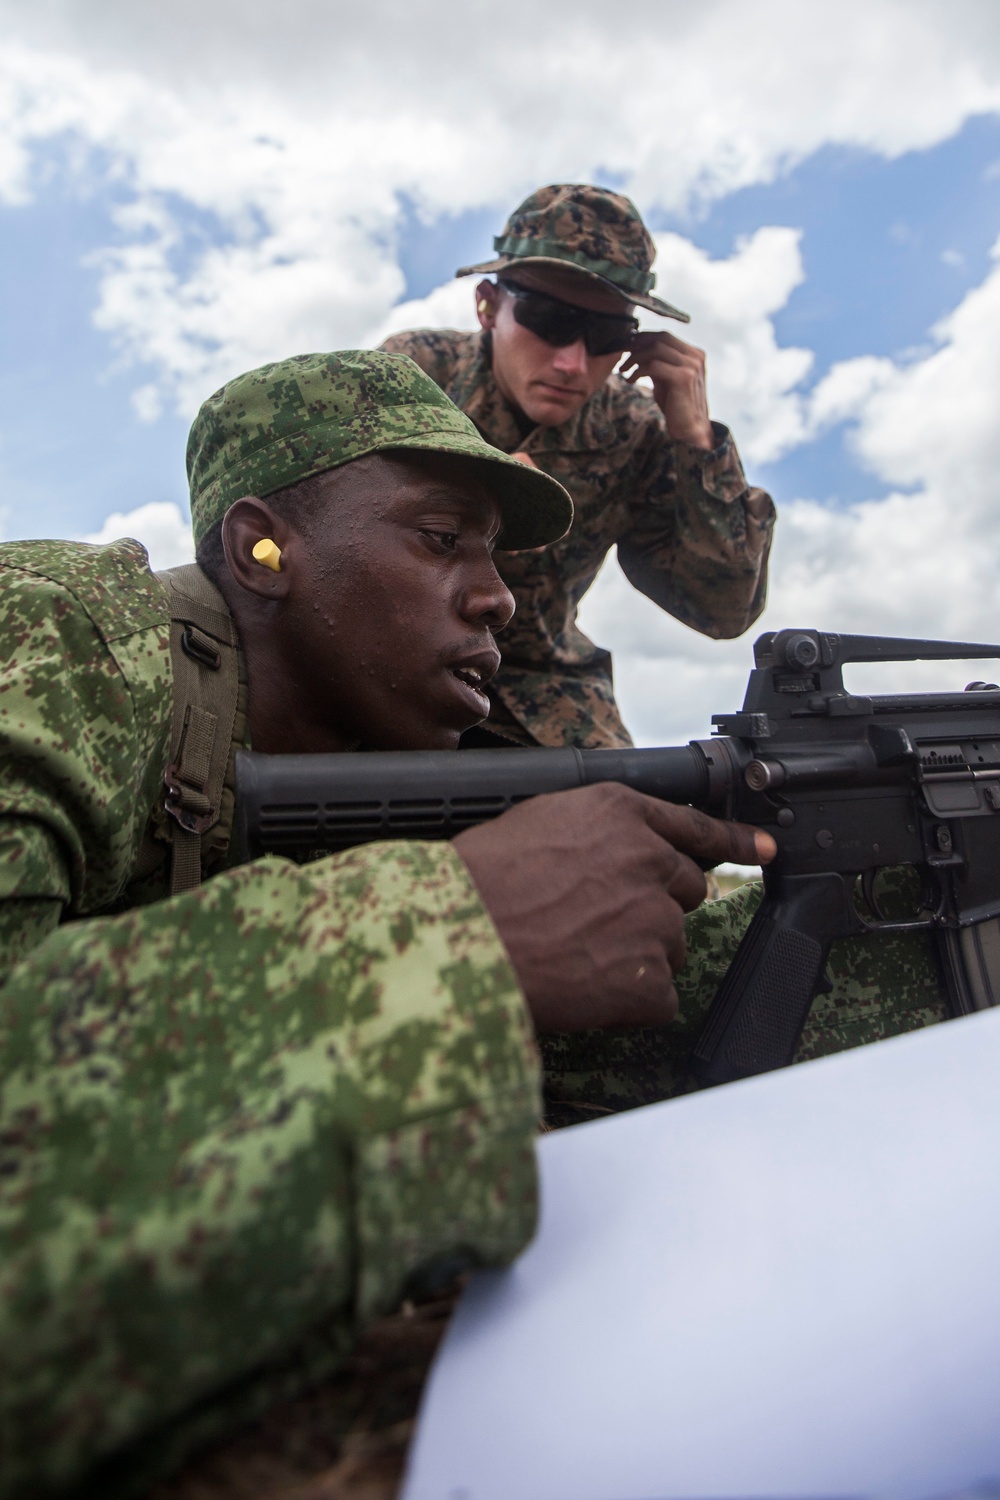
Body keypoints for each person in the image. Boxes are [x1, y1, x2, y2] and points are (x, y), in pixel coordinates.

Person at [0, 349, 773, 1499]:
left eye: (497, 558)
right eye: (437, 538)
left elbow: (636, 1014)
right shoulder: (60, 640)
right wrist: (454, 935)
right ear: (264, 548)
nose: (499, 596)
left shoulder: (364, 773)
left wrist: (859, 897)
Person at [381, 182, 776, 750]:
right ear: (488, 304)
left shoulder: (637, 430)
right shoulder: (415, 374)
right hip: (394, 663)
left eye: (606, 336)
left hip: (543, 693)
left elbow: (724, 609)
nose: (572, 363)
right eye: (548, 318)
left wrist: (696, 443)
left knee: (642, 822)